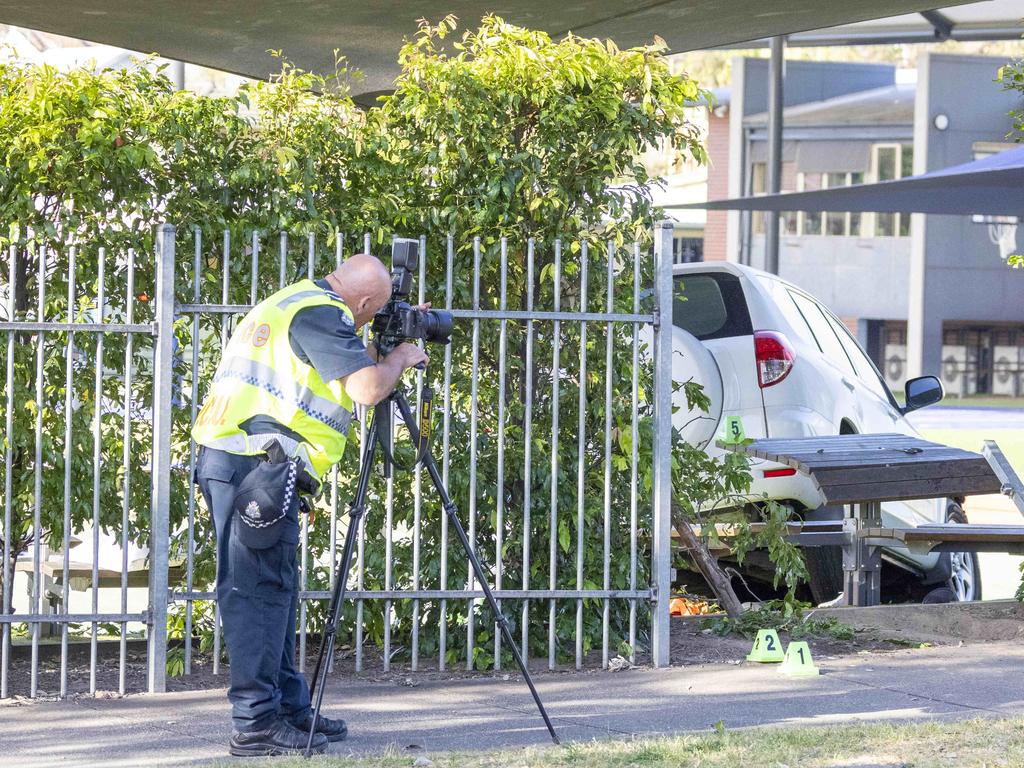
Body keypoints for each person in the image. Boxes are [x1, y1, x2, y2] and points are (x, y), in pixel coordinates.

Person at [192, 253, 428, 757]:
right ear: (363, 300)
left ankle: (289, 709)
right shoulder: (321, 313)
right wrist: (399, 359)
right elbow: (366, 388)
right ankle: (255, 723)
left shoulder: (297, 300)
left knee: (274, 589)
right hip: (255, 466)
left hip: (246, 463)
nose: (367, 322)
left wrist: (380, 345)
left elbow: (328, 366)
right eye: (372, 313)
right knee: (257, 594)